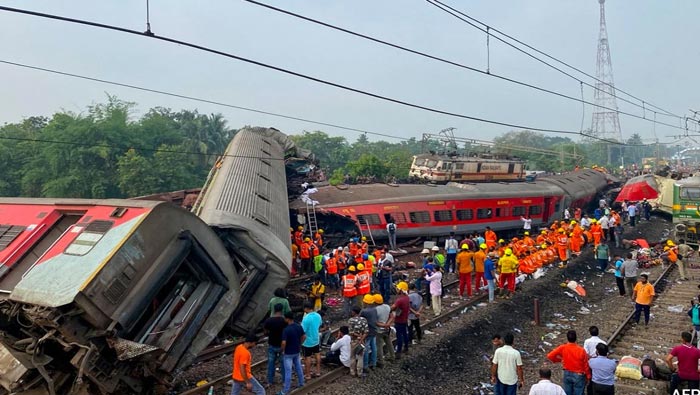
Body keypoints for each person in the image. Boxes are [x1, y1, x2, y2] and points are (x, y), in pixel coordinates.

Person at [547, 330, 590, 395]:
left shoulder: (563, 347)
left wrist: (558, 360)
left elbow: (550, 355)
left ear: (567, 338)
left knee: (567, 392)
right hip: (578, 374)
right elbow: (585, 365)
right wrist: (588, 376)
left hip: (567, 373)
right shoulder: (581, 350)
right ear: (576, 338)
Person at [280, 312, 305, 395]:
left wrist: (283, 350)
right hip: (297, 351)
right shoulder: (299, 326)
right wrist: (300, 344)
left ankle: (285, 390)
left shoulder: (286, 330)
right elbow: (304, 336)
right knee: (298, 367)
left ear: (287, 319)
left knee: (288, 371)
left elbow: (283, 342)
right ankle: (301, 383)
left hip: (288, 353)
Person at [263, 304, 287, 387]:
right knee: (283, 364)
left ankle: (270, 381)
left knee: (271, 363)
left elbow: (265, 332)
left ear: (274, 310)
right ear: (282, 310)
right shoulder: (284, 321)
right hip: (282, 345)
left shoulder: (269, 320)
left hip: (272, 344)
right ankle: (284, 381)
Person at [374, 293, 395, 365]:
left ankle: (380, 361)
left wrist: (383, 325)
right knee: (389, 343)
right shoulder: (387, 306)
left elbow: (375, 322)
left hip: (379, 330)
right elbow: (392, 316)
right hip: (387, 329)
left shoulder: (375, 309)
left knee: (379, 346)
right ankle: (393, 356)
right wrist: (387, 324)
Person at [360, 294, 378, 372]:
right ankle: (373, 363)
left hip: (367, 332)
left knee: (366, 349)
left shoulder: (364, 311)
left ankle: (365, 365)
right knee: (374, 347)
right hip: (374, 330)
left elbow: (360, 319)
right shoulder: (374, 309)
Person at [392, 281, 411, 357]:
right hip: (405, 319)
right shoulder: (407, 298)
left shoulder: (399, 300)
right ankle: (406, 347)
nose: (397, 289)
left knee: (399, 336)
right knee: (405, 334)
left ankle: (398, 351)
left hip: (399, 320)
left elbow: (393, 307)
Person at [348, 306, 368, 377]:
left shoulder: (351, 320)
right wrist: (362, 339)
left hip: (354, 341)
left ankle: (352, 372)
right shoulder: (364, 320)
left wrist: (358, 337)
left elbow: (351, 332)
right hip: (362, 341)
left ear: (354, 312)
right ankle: (360, 373)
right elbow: (366, 331)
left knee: (352, 356)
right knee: (360, 357)